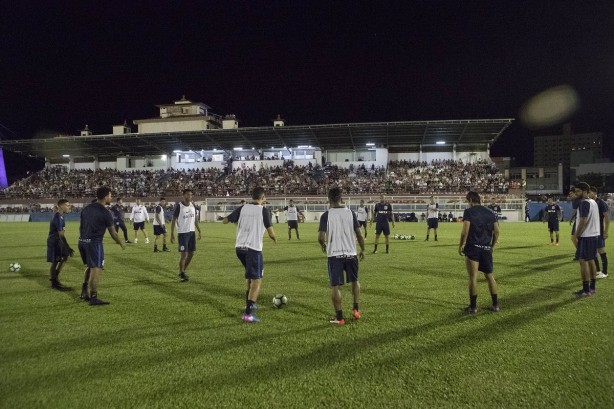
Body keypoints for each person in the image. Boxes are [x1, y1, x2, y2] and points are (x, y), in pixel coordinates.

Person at [223, 186, 277, 323]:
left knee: (250, 277)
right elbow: (270, 232)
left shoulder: (243, 208)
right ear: (263, 198)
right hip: (253, 249)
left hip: (239, 248)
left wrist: (241, 223)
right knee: (257, 280)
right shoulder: (264, 211)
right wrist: (274, 238)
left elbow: (225, 220)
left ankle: (249, 303)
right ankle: (248, 313)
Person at [319, 187, 365, 326]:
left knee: (335, 286)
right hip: (351, 253)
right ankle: (356, 310)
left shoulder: (326, 215)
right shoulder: (350, 213)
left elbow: (320, 237)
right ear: (341, 198)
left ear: (329, 199)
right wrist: (362, 249)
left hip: (335, 255)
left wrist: (324, 246)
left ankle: (339, 318)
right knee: (355, 281)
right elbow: (359, 234)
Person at [78, 186, 126, 305]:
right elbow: (113, 233)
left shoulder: (86, 208)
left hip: (82, 241)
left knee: (90, 266)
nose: (111, 197)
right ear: (105, 197)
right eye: (110, 195)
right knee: (96, 269)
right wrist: (121, 242)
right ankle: (93, 297)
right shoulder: (106, 212)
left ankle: (84, 291)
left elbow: (81, 226)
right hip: (94, 243)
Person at [458, 191, 500, 313]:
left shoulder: (469, 212)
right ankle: (496, 305)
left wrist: (461, 245)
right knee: (489, 276)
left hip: (473, 247)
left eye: (467, 201)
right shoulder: (490, 212)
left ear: (471, 200)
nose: (467, 203)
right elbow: (496, 231)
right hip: (486, 248)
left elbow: (464, 231)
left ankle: (473, 307)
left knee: (473, 277)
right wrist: (491, 245)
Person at [571, 182, 600, 297]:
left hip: (586, 236)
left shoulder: (583, 203)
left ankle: (586, 289)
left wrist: (576, 235)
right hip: (594, 235)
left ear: (584, 192)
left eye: (578, 191)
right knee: (591, 260)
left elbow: (583, 220)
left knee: (583, 262)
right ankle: (592, 288)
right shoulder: (593, 202)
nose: (576, 193)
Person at [170, 189, 201, 282]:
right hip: (183, 233)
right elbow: (173, 220)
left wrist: (199, 230)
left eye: (191, 195)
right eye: (188, 195)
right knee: (184, 255)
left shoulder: (193, 205)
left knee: (191, 254)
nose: (190, 196)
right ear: (184, 195)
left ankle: (183, 271)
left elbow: (195, 219)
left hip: (192, 232)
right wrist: (172, 234)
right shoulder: (179, 206)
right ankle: (181, 274)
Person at [47, 199, 74, 290]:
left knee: (65, 257)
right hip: (55, 242)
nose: (68, 207)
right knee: (55, 261)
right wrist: (67, 246)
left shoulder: (61, 216)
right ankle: (54, 283)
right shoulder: (58, 217)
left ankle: (55, 277)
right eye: (67, 205)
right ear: (60, 206)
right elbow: (61, 234)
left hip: (58, 241)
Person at [589, 186, 609, 279]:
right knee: (593, 251)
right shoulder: (590, 203)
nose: (588, 194)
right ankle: (597, 271)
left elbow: (607, 218)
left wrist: (605, 232)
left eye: (589, 192)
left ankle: (605, 272)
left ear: (594, 192)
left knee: (601, 250)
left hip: (599, 230)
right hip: (591, 231)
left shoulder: (601, 203)